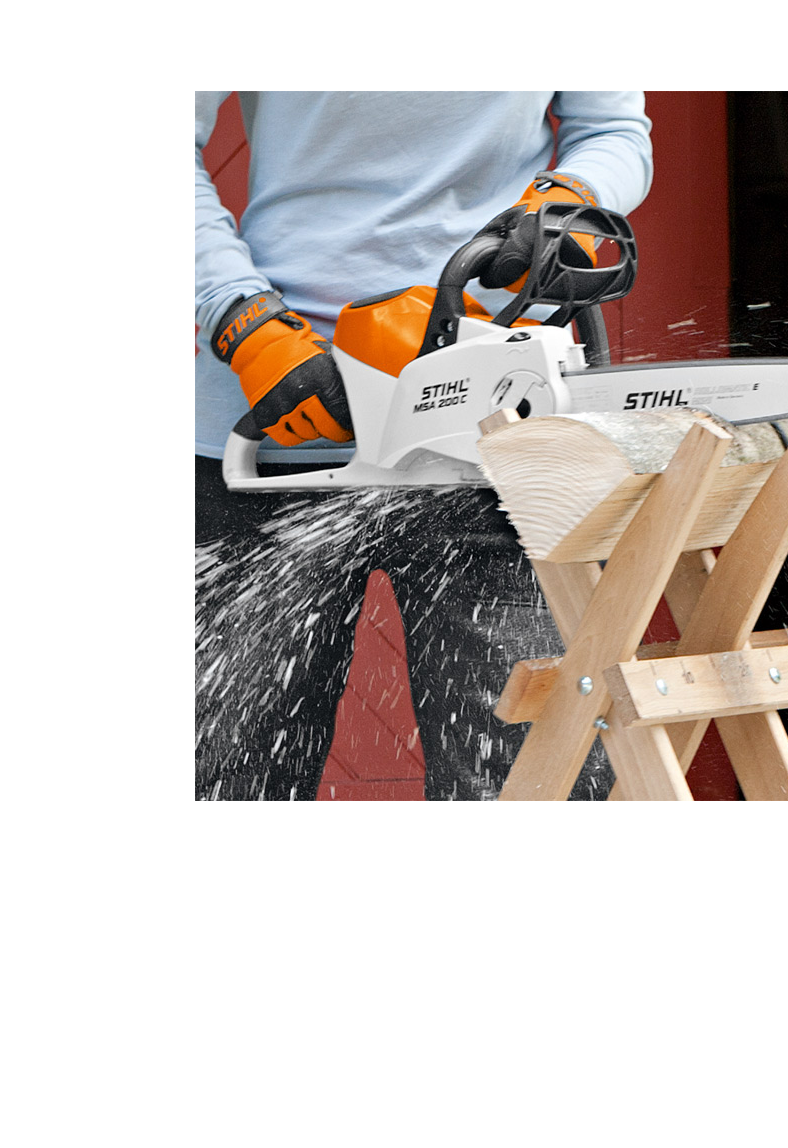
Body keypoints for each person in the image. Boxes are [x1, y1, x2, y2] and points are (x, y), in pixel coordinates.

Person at [195, 92, 654, 801]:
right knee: (230, 777)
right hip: (280, 414)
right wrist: (242, 320)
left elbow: (616, 131)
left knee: (529, 778)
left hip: (496, 424)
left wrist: (568, 200)